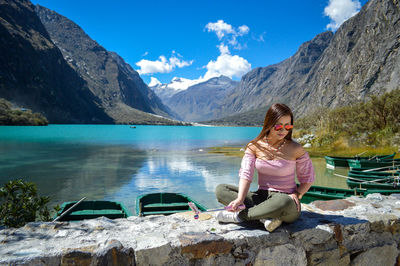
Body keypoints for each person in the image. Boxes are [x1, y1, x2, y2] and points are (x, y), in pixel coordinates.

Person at [214, 103, 315, 232]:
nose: (283, 130)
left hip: (286, 202)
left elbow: (308, 178)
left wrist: (297, 194)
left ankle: (240, 216)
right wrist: (240, 199)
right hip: (261, 197)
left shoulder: (296, 149)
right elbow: (246, 174)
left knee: (283, 201)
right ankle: (266, 217)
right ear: (269, 123)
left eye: (288, 126)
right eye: (278, 126)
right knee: (221, 189)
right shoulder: (254, 146)